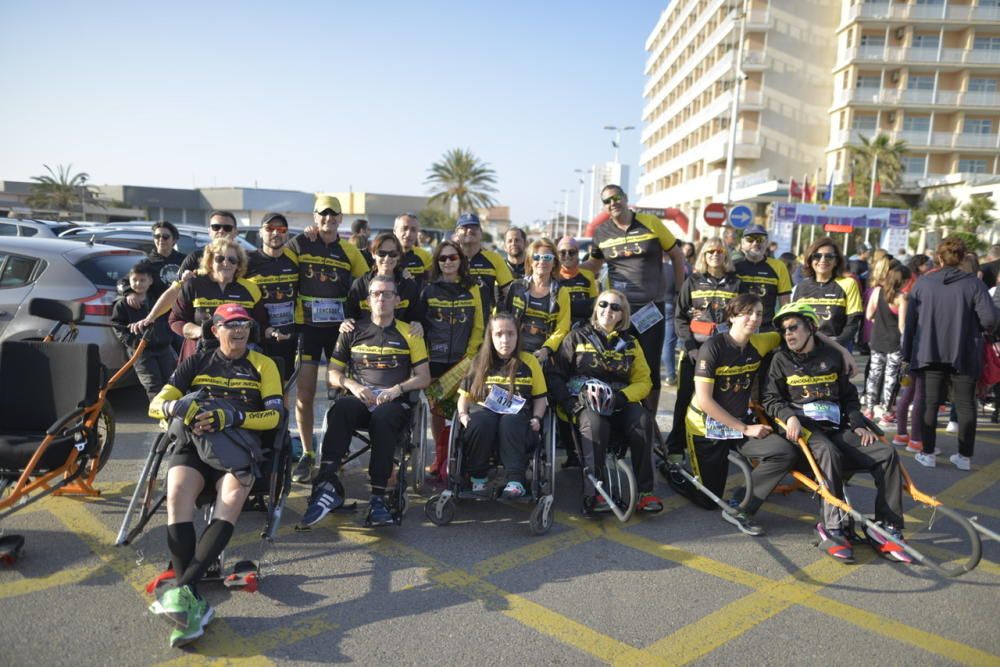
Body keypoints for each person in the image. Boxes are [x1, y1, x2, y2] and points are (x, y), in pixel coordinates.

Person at [147, 303, 282, 648]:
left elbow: (273, 418)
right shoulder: (197, 361)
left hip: (239, 443)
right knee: (176, 493)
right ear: (215, 329)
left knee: (233, 497)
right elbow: (157, 402)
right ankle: (190, 598)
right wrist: (177, 407)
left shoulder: (263, 364)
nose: (239, 331)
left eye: (245, 325)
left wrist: (231, 417)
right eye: (231, 325)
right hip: (195, 442)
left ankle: (182, 590)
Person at [764, 301, 911, 564]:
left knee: (886, 453)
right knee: (830, 454)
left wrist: (857, 423)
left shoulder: (832, 358)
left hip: (839, 426)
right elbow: (771, 400)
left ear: (810, 327)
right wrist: (787, 417)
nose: (788, 334)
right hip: (806, 429)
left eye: (793, 327)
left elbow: (849, 397)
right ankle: (831, 527)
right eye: (784, 330)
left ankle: (886, 526)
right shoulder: (780, 360)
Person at [300, 275, 430, 527]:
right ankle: (326, 484)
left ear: (397, 300)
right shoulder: (351, 330)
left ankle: (379, 497)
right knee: (340, 408)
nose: (382, 298)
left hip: (393, 403)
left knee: (383, 418)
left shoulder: (410, 333)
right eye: (376, 294)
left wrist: (397, 389)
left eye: (387, 294)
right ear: (368, 299)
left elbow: (424, 377)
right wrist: (352, 385)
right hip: (360, 398)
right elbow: (333, 373)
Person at [684, 294, 797, 536]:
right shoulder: (712, 347)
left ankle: (740, 504)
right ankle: (677, 472)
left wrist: (842, 351)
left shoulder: (760, 342)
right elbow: (704, 400)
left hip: (740, 422)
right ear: (732, 316)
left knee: (784, 452)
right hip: (706, 425)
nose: (755, 318)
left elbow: (802, 333)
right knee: (708, 500)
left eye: (758, 313)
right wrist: (745, 429)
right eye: (748, 312)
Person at [549, 289, 663, 513]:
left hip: (618, 401)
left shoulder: (630, 343)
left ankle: (645, 493)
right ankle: (595, 493)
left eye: (615, 307)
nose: (607, 310)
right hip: (583, 403)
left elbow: (643, 381)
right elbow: (556, 376)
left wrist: (623, 397)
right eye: (602, 305)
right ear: (595, 309)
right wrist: (569, 402)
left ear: (622, 315)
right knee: (595, 424)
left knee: (642, 419)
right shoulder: (575, 338)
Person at [288, 195, 369, 483]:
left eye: (334, 214)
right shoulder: (300, 243)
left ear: (341, 219)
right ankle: (308, 454)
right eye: (323, 214)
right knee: (305, 395)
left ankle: (335, 453)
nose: (328, 219)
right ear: (315, 216)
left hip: (339, 330)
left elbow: (367, 284)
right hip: (308, 328)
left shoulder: (349, 250)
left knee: (338, 394)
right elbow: (274, 263)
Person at [584, 184, 685, 415]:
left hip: (651, 310)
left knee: (649, 368)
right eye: (607, 201)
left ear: (626, 198)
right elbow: (594, 265)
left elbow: (677, 255)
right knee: (617, 366)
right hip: (617, 312)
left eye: (616, 197)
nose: (613, 203)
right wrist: (565, 268)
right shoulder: (601, 233)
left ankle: (648, 424)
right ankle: (620, 418)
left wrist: (679, 293)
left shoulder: (651, 222)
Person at [903, 236, 998, 471]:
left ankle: (927, 453)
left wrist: (907, 354)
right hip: (964, 350)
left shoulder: (923, 284)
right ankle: (964, 457)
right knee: (966, 404)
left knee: (930, 402)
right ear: (964, 257)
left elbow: (911, 324)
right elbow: (990, 319)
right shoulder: (974, 285)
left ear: (938, 257)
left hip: (928, 350)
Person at [409, 240, 485, 479]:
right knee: (437, 411)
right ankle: (440, 458)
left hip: (464, 359)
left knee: (460, 410)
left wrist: (471, 355)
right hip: (435, 360)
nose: (448, 262)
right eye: (443, 258)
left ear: (460, 260)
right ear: (437, 262)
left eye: (453, 257)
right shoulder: (428, 289)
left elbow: (479, 325)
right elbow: (418, 325)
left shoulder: (472, 288)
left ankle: (457, 457)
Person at [665, 237, 741, 459]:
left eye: (719, 251)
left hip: (726, 353)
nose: (715, 255)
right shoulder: (693, 281)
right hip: (694, 351)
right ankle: (676, 445)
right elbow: (679, 318)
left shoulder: (736, 283)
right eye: (710, 252)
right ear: (703, 256)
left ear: (725, 255)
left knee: (724, 399)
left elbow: (743, 316)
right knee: (685, 397)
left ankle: (724, 443)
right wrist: (691, 349)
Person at [456, 312, 547, 499]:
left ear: (517, 335)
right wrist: (463, 415)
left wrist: (537, 418)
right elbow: (464, 397)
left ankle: (515, 481)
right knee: (481, 421)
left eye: (510, 334)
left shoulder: (529, 362)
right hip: (485, 414)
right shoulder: (479, 361)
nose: (505, 339)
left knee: (510, 421)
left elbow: (540, 398)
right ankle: (477, 478)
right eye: (499, 334)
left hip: (518, 421)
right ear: (491, 336)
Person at [168, 238, 267, 363]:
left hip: (237, 359)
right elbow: (175, 320)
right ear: (210, 262)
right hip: (198, 356)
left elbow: (261, 324)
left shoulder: (251, 288)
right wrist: (200, 331)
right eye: (219, 259)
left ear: (238, 265)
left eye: (232, 260)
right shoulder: (194, 284)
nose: (226, 263)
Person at [111, 260, 177, 400]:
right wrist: (133, 342)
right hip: (141, 351)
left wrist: (167, 336)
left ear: (151, 281)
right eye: (134, 280)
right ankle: (159, 414)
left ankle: (171, 413)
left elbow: (168, 317)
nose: (138, 284)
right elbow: (117, 325)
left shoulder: (158, 300)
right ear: (129, 280)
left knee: (171, 382)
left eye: (142, 280)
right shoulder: (123, 304)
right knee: (152, 384)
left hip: (163, 347)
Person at [245, 213, 299, 382]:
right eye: (270, 228)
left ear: (287, 234)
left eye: (281, 229)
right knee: (255, 388)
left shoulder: (294, 260)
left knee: (283, 388)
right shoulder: (247, 261)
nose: (276, 233)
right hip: (257, 337)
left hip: (286, 337)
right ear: (260, 232)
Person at [500, 238, 571, 362]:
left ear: (554, 262)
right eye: (536, 257)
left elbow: (562, 328)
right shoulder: (516, 286)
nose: (541, 261)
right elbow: (504, 319)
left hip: (543, 354)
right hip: (513, 349)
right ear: (530, 261)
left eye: (547, 257)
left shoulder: (561, 292)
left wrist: (546, 350)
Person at [791, 237, 862, 349]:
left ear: (836, 261)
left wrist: (835, 346)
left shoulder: (848, 284)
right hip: (806, 346)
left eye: (829, 256)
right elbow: (794, 321)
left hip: (837, 347)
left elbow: (853, 323)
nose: (823, 260)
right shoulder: (801, 287)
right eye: (817, 256)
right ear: (810, 260)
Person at [863, 261, 909, 427]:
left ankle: (868, 410)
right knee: (891, 376)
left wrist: (880, 322)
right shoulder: (901, 298)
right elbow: (902, 326)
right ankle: (886, 412)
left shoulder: (877, 292)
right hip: (894, 341)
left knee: (874, 375)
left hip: (877, 338)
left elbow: (869, 315)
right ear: (903, 281)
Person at [345, 231, 419, 323]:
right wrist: (347, 322)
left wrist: (417, 325)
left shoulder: (408, 286)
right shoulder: (360, 285)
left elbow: (416, 318)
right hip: (367, 336)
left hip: (397, 336)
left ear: (398, 256)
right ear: (373, 254)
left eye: (393, 254)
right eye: (382, 253)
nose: (387, 258)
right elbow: (350, 315)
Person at [733, 224, 791, 332]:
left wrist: (784, 328)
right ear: (742, 244)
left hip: (767, 328)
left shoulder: (779, 266)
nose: (755, 243)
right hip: (739, 327)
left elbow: (785, 303)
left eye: (760, 239)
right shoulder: (734, 267)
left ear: (766, 243)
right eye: (750, 240)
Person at [455, 212, 514, 316]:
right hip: (456, 319)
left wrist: (501, 314)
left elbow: (509, 292)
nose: (469, 230)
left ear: (481, 233)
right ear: (456, 233)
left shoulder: (495, 258)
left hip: (485, 320)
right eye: (464, 227)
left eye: (474, 227)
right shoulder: (448, 257)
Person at [556, 235, 598, 329]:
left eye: (571, 252)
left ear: (577, 254)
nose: (567, 255)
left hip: (582, 328)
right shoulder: (553, 276)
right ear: (557, 255)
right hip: (558, 326)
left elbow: (594, 305)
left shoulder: (588, 275)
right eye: (562, 252)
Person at [146, 221, 186, 301]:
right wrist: (130, 293)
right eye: (157, 236)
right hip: (157, 309)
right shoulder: (147, 263)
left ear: (174, 240)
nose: (161, 239)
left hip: (181, 309)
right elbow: (127, 281)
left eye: (165, 236)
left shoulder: (185, 260)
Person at [394, 213, 433, 288]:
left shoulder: (425, 255)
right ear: (395, 231)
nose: (408, 234)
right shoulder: (383, 255)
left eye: (413, 230)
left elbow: (430, 283)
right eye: (404, 228)